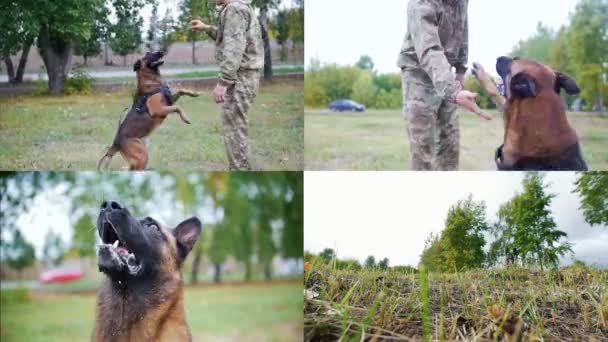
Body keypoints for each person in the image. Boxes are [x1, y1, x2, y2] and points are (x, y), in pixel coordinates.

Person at [398, 0, 492, 171]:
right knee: (423, 146)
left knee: (450, 143)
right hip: (417, 72)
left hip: (446, 73)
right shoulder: (421, 3)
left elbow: (463, 30)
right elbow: (429, 49)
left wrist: (460, 71)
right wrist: (452, 91)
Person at [191, 0, 263, 171]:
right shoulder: (238, 7)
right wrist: (207, 28)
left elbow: (234, 49)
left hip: (241, 78)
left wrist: (223, 82)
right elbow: (230, 38)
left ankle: (240, 171)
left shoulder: (234, 9)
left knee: (234, 129)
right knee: (236, 126)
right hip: (244, 77)